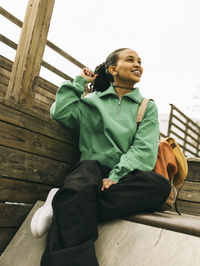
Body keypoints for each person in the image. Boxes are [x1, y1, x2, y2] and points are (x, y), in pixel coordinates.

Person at [31, 48, 171, 266]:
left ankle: (63, 201)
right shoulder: (91, 101)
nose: (138, 65)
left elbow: (144, 150)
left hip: (124, 176)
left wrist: (116, 176)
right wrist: (79, 82)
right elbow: (60, 113)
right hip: (90, 169)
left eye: (140, 61)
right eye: (130, 60)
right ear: (113, 69)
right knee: (84, 179)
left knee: (159, 186)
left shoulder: (147, 106)